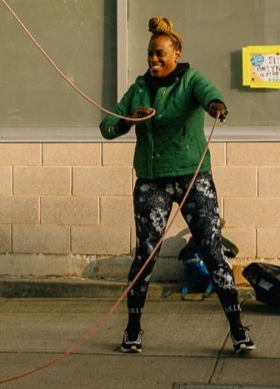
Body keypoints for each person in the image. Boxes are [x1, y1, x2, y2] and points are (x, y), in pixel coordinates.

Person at [99, 17, 254, 354]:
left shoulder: (191, 80)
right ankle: (133, 331)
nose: (153, 61)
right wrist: (129, 119)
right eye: (149, 55)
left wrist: (216, 105)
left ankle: (238, 330)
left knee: (212, 251)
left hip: (192, 175)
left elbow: (209, 94)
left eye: (160, 54)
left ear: (176, 52)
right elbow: (107, 126)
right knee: (145, 256)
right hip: (151, 181)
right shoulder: (139, 88)